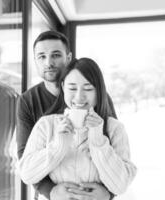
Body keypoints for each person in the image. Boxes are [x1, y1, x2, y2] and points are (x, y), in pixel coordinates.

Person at [16, 30, 117, 200]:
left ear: (69, 58)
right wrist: (51, 192)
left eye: (55, 55)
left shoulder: (99, 98)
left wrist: (108, 193)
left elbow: (114, 147)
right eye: (41, 56)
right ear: (35, 61)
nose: (48, 62)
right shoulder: (27, 101)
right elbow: (25, 156)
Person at [18, 58, 137, 197]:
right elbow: (26, 175)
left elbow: (120, 186)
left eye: (88, 88)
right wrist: (58, 146)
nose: (79, 97)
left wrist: (98, 141)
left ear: (99, 91)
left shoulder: (114, 128)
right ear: (63, 87)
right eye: (72, 88)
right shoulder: (46, 125)